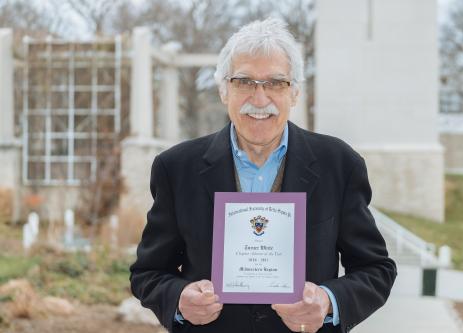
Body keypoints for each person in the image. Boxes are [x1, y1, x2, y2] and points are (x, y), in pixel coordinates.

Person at [130, 18, 397, 333]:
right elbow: (147, 273)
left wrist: (327, 301)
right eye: (244, 81)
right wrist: (178, 299)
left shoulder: (339, 165)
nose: (259, 99)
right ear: (223, 90)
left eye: (275, 82)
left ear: (294, 93)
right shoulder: (176, 168)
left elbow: (376, 269)